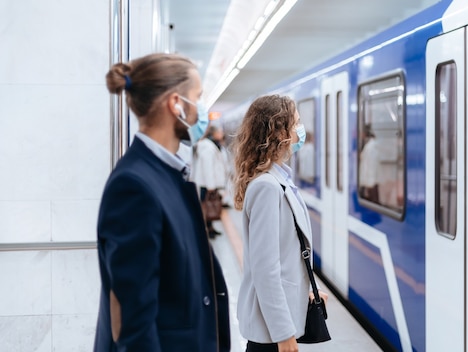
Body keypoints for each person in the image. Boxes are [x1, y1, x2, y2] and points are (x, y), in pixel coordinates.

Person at [94, 53, 230, 351]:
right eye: (197, 97)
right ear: (176, 104)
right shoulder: (134, 186)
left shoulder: (165, 174)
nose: (201, 109)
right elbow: (133, 321)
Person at [232, 95, 328, 352]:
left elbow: (286, 253)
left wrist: (303, 293)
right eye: (296, 122)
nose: (301, 129)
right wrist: (284, 334)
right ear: (279, 131)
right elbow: (266, 269)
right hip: (270, 333)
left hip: (273, 325)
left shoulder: (277, 180)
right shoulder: (267, 187)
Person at [191, 125, 231, 237]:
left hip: (209, 183)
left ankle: (210, 228)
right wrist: (211, 186)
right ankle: (205, 230)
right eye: (220, 131)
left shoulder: (211, 145)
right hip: (206, 183)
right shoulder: (207, 147)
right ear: (214, 133)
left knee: (208, 206)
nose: (222, 133)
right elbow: (207, 167)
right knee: (206, 206)